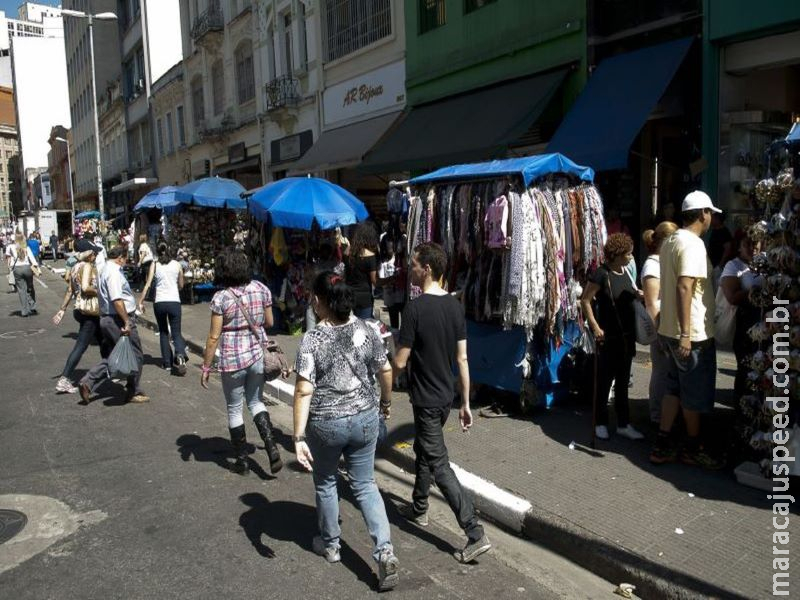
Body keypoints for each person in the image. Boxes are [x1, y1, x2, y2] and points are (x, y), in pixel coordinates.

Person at [292, 272, 399, 591]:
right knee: (365, 484)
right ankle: (385, 551)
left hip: (326, 425)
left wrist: (298, 436)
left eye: (315, 296)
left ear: (324, 302)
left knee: (326, 482)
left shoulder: (312, 339)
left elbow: (302, 390)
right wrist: (385, 403)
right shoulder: (367, 330)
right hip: (365, 418)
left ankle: (331, 545)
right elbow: (386, 370)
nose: (312, 301)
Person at [392, 242, 491, 563]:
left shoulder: (415, 309)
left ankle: (474, 532)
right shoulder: (454, 306)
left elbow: (402, 361)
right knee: (425, 450)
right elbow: (462, 359)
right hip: (445, 397)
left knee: (438, 462)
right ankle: (419, 507)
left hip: (424, 398)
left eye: (414, 265)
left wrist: (384, 361)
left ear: (428, 270)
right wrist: (464, 402)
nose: (411, 269)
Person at [650, 191, 723, 469]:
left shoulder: (670, 241)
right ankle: (693, 448)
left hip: (670, 330)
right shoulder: (692, 244)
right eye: (710, 214)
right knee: (693, 394)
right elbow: (684, 285)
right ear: (703, 213)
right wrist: (685, 334)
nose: (711, 219)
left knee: (673, 389)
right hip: (691, 335)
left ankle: (663, 443)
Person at [200, 248, 283, 475]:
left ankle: (242, 461)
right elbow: (269, 321)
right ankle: (271, 447)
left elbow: (213, 337)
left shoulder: (221, 298)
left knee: (234, 409)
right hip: (257, 356)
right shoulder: (261, 288)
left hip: (233, 360)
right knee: (256, 402)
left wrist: (206, 367)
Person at [580, 233, 645, 441]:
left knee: (623, 381)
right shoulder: (601, 274)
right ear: (617, 255)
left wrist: (638, 295)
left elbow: (629, 292)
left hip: (627, 336)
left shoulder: (625, 271)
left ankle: (623, 424)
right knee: (605, 382)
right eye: (628, 254)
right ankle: (600, 422)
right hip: (608, 338)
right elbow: (585, 300)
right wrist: (595, 326)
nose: (631, 257)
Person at [78, 245, 149, 405]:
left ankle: (88, 382)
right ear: (120, 258)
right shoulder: (113, 273)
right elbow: (117, 300)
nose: (126, 262)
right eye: (125, 259)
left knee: (114, 356)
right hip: (116, 318)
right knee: (135, 355)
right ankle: (133, 390)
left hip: (108, 318)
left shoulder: (105, 270)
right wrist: (126, 321)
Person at [53, 240, 107, 394]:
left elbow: (70, 290)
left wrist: (62, 309)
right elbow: (85, 288)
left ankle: (110, 369)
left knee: (103, 339)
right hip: (90, 311)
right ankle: (64, 378)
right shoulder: (88, 266)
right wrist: (101, 291)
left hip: (82, 310)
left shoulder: (75, 267)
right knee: (81, 345)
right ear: (88, 254)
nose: (96, 255)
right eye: (94, 252)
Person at [641, 221, 680, 424]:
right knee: (661, 372)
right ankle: (657, 415)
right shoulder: (652, 266)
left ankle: (664, 413)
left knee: (668, 373)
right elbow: (652, 304)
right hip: (661, 327)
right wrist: (660, 333)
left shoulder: (664, 263)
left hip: (670, 325)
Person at [720, 230, 761, 398]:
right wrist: (755, 291)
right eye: (747, 244)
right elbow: (732, 297)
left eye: (755, 244)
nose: (752, 248)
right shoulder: (733, 266)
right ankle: (742, 410)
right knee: (746, 368)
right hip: (745, 323)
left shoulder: (766, 262)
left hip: (767, 320)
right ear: (739, 247)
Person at [139, 242, 188, 375]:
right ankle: (180, 354)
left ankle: (167, 363)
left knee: (163, 332)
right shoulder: (177, 265)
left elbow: (148, 284)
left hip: (159, 302)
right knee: (176, 332)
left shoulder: (154, 264)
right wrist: (176, 287)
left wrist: (141, 301)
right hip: (174, 302)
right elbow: (181, 285)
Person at [345, 222, 379, 320]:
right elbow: (375, 281)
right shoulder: (370, 255)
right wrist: (390, 279)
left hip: (349, 295)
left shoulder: (347, 252)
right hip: (364, 298)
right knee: (365, 328)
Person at [377, 236, 406, 329]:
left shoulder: (399, 260)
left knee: (405, 323)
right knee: (394, 325)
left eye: (392, 244)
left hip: (401, 296)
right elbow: (382, 281)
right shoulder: (382, 263)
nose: (390, 246)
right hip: (390, 297)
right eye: (388, 244)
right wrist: (392, 279)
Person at [9, 232, 40, 316]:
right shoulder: (26, 247)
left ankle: (24, 311)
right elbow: (33, 260)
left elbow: (10, 260)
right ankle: (32, 307)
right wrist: (36, 267)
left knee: (21, 290)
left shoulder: (11, 247)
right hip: (27, 268)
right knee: (30, 287)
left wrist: (11, 268)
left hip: (17, 270)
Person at [707, 212, 733, 292]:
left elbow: (728, 249)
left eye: (713, 218)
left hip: (719, 267)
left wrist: (720, 265)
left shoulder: (724, 232)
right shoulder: (714, 231)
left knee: (718, 290)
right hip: (712, 266)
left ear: (718, 219)